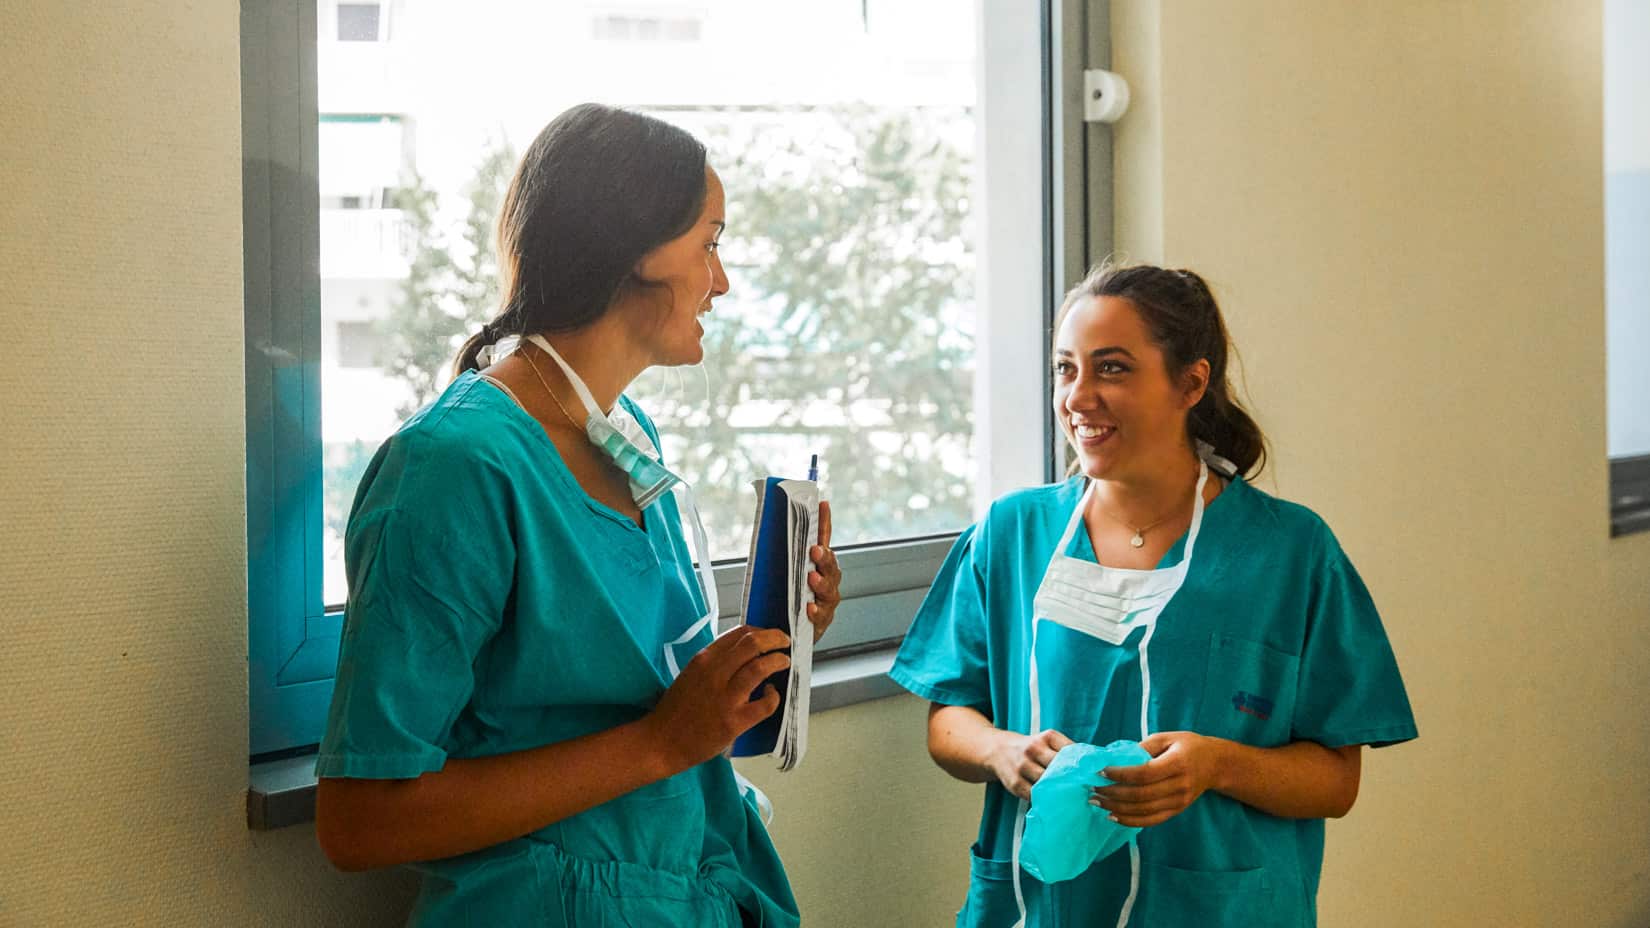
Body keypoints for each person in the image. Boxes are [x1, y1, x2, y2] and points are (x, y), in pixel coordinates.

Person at [313, 103, 842, 928]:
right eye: (710, 242)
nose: (723, 280)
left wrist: (772, 645)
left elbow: (630, 679)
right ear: (635, 249)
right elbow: (360, 820)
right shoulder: (454, 468)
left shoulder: (626, 440)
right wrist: (662, 744)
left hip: (685, 887)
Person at [890, 263, 1416, 927]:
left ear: (1191, 383)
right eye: (1065, 369)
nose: (1079, 396)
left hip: (1213, 908)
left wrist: (1216, 765)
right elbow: (948, 719)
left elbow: (1336, 780)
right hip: (1037, 907)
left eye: (1111, 369)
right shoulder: (1010, 535)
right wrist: (1001, 750)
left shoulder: (1290, 554)